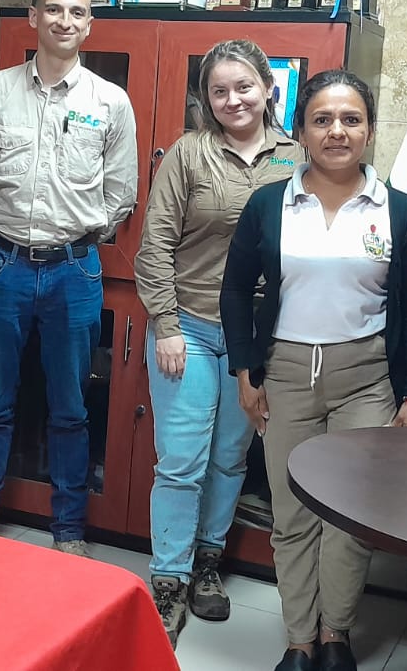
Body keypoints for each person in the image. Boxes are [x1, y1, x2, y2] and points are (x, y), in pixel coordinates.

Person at [221, 70, 407, 671]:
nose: (336, 131)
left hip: (366, 377)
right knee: (291, 512)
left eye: (351, 119)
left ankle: (335, 633)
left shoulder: (398, 209)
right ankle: (299, 640)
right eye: (322, 120)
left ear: (369, 131)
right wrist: (245, 370)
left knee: (351, 514)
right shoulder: (270, 203)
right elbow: (235, 290)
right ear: (300, 131)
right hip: (286, 373)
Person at [0, 0, 138, 554]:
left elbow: (122, 194)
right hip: (3, 266)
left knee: (70, 408)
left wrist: (74, 234)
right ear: (33, 18)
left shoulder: (110, 101)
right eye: (53, 10)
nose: (64, 21)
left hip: (74, 272)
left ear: (90, 25)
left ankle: (68, 531)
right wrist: (12, 232)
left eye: (76, 12)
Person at [133, 39, 305, 646]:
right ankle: (169, 579)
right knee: (182, 460)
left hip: (255, 339)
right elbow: (154, 244)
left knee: (231, 457)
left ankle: (208, 562)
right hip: (190, 325)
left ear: (268, 89)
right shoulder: (189, 153)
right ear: (206, 99)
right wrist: (166, 325)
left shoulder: (298, 157)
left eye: (244, 86)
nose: (233, 99)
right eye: (219, 90)